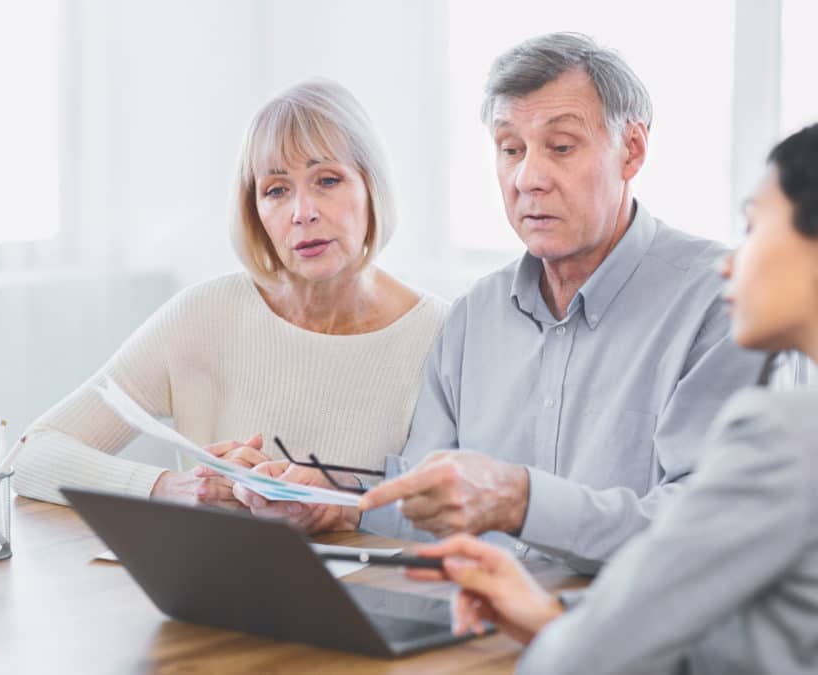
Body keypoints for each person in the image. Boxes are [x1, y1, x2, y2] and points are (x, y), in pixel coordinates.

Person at [236, 33, 768, 573]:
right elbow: (430, 496)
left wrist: (523, 501)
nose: (528, 178)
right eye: (510, 149)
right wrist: (340, 501)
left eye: (560, 147)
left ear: (631, 149)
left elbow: (707, 526)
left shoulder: (722, 303)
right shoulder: (474, 315)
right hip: (470, 627)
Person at [410, 123, 818, 675]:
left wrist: (569, 633)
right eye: (510, 149)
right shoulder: (474, 310)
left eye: (753, 228)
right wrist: (554, 619)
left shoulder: (787, 433)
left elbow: (582, 662)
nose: (730, 262)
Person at [11, 79, 448, 510]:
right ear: (253, 211)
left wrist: (346, 506)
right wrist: (172, 487)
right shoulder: (203, 315)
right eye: (276, 190)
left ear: (371, 187)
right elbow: (30, 454)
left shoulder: (441, 334)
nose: (303, 213)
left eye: (328, 180)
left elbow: (460, 506)